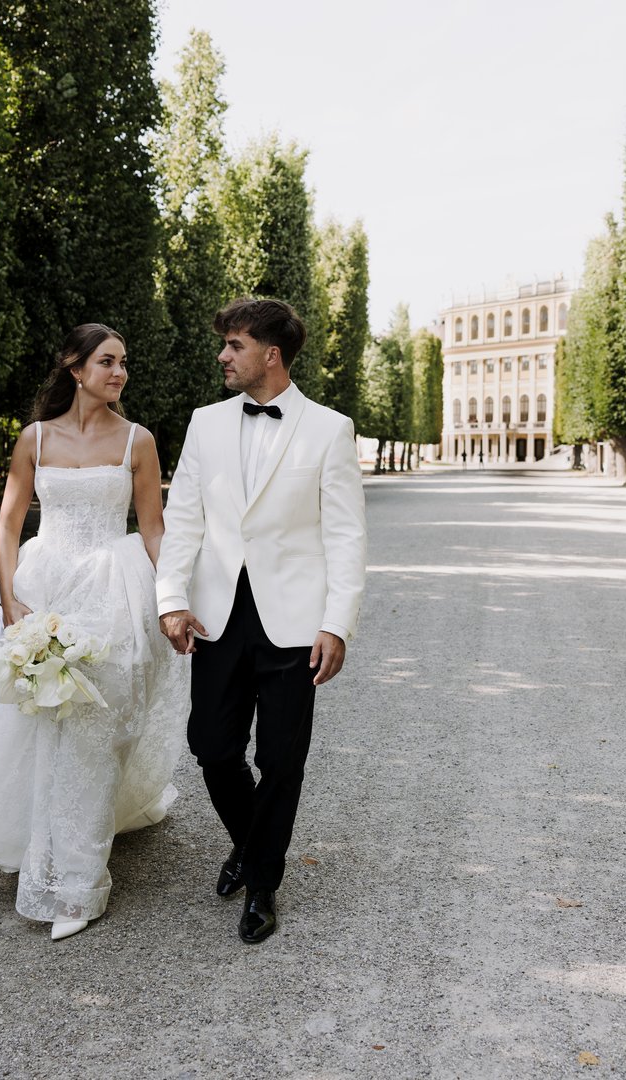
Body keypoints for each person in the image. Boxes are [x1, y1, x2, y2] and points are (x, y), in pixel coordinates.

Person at [0, 324, 188, 941]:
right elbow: (7, 526)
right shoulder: (35, 440)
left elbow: (154, 528)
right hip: (44, 585)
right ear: (75, 369)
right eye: (108, 362)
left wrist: (171, 600)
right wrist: (10, 599)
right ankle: (38, 831)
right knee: (35, 719)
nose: (120, 373)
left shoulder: (139, 440)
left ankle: (75, 881)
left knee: (92, 725)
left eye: (124, 363)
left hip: (112, 588)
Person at [156, 298, 368, 944]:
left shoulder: (329, 429)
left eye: (234, 344)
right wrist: (169, 596)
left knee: (280, 760)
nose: (223, 355)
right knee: (211, 748)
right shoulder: (204, 423)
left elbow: (345, 534)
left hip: (295, 622)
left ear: (269, 355)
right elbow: (184, 516)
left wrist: (336, 623)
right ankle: (250, 847)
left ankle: (262, 883)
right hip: (217, 616)